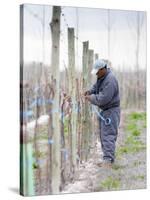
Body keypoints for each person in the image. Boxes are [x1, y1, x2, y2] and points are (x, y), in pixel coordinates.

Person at [84, 59, 120, 168]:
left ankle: (108, 161)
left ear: (103, 69)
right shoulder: (102, 77)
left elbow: (103, 99)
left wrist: (91, 98)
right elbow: (96, 87)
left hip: (111, 111)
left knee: (108, 135)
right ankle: (107, 159)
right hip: (106, 111)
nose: (96, 74)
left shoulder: (110, 80)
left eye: (97, 71)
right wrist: (90, 91)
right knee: (104, 135)